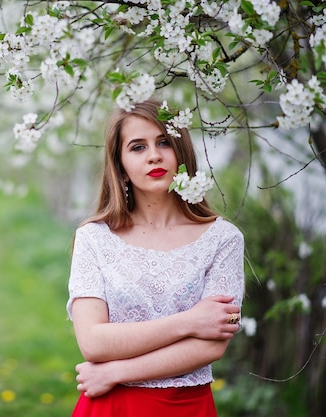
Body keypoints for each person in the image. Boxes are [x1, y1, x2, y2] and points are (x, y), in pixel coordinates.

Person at [67, 99, 245, 416]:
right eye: (137, 147)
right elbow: (93, 342)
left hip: (186, 406)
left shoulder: (224, 239)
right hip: (112, 406)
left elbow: (213, 344)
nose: (154, 155)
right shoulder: (94, 238)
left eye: (164, 141)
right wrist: (190, 321)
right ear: (120, 166)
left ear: (182, 152)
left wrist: (115, 372)